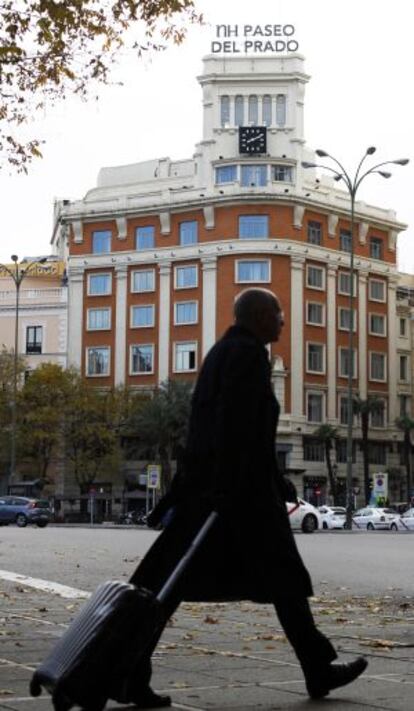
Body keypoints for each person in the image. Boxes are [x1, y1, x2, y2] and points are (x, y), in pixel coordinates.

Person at [130, 288, 367, 708]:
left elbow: (231, 424)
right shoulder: (247, 355)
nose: (282, 320)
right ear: (259, 316)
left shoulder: (224, 351)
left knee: (175, 583)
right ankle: (126, 668)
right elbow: (238, 426)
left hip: (221, 490)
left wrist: (269, 478)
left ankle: (317, 668)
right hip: (236, 496)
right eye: (278, 313)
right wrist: (248, 484)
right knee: (188, 583)